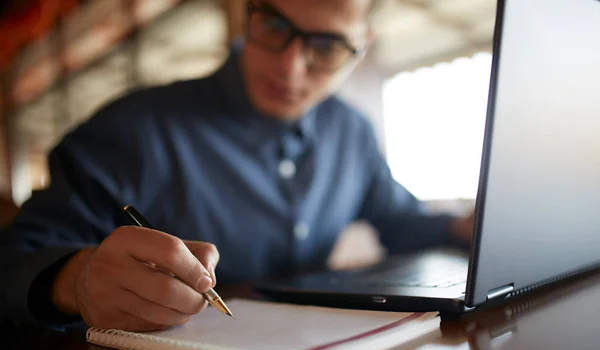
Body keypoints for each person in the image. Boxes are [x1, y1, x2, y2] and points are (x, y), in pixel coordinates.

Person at [0, 0, 474, 331]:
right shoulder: (134, 128)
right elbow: (14, 260)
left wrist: (463, 226)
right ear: (249, 11)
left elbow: (398, 219)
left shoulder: (351, 133)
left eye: (326, 47)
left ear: (361, 46)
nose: (289, 70)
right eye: (274, 26)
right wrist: (75, 281)